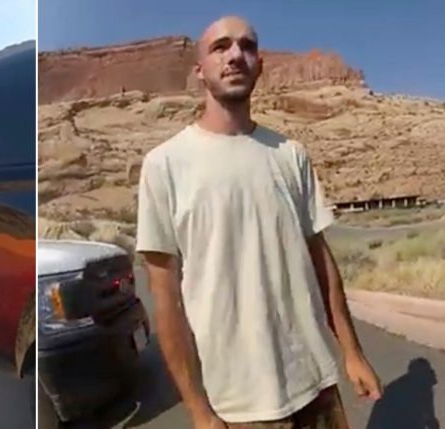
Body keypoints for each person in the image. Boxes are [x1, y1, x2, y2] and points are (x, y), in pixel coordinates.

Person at [135, 16, 382, 429]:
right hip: (237, 409)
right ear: (200, 70)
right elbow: (168, 304)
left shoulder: (290, 154)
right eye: (221, 47)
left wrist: (352, 353)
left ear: (259, 64)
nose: (235, 56)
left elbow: (321, 262)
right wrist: (199, 412)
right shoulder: (164, 166)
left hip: (316, 387)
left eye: (247, 47)